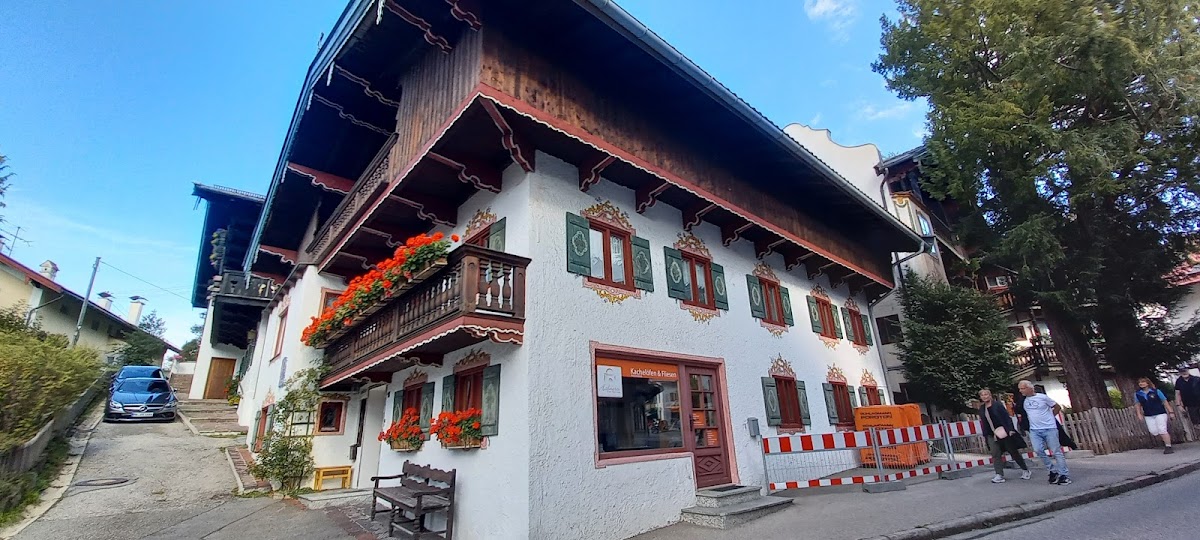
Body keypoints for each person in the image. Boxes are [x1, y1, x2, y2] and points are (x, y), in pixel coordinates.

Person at [1018, 380, 1071, 485]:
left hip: (1049, 428)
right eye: (1019, 389)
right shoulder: (1024, 401)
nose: (1020, 391)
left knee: (1056, 451)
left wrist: (1051, 417)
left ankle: (1064, 474)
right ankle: (1052, 470)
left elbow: (1057, 406)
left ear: (1030, 388)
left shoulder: (1042, 397)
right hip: (1035, 430)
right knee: (1038, 450)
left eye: (1022, 388)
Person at [978, 389, 1031, 483]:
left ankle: (1025, 469)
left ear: (990, 395)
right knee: (995, 453)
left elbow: (1006, 417)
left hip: (1003, 432)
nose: (984, 396)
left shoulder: (997, 405)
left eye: (986, 394)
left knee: (1013, 451)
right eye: (982, 395)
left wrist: (1010, 429)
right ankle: (999, 474)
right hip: (992, 434)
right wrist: (985, 434)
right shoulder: (982, 408)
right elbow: (984, 422)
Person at [1134, 377, 1176, 454]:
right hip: (1148, 415)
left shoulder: (1156, 391)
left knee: (1162, 429)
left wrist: (1171, 412)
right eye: (1139, 382)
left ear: (1147, 383)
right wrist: (1139, 414)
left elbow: (1165, 401)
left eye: (1143, 382)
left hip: (1160, 413)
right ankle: (1165, 438)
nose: (1141, 383)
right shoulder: (1138, 394)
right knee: (1153, 431)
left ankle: (1168, 446)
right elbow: (1137, 404)